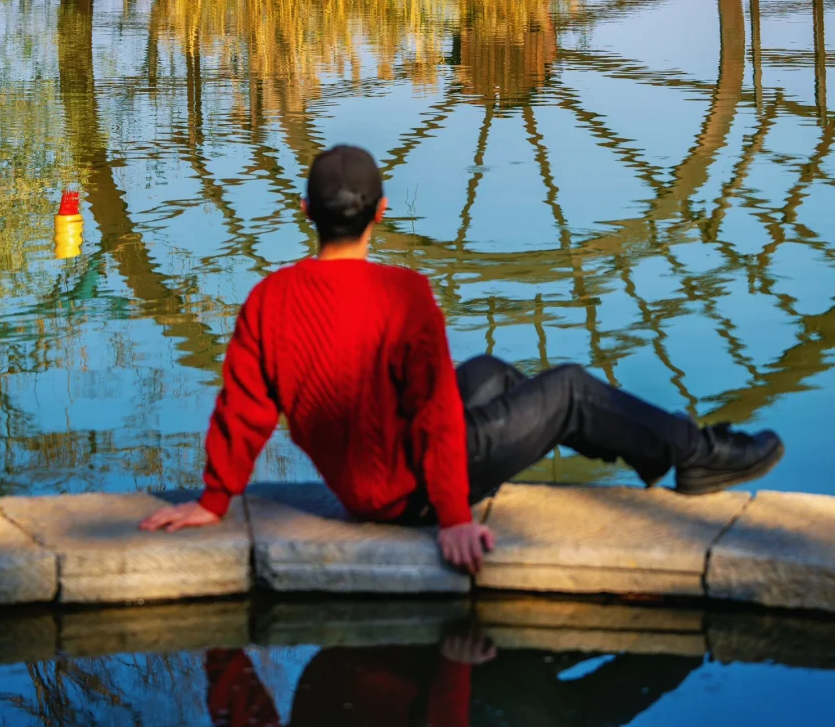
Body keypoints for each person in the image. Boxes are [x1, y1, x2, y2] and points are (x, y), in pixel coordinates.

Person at [140, 145, 783, 571]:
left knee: (490, 374)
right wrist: (451, 517)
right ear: (381, 214)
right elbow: (434, 413)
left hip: (360, 485)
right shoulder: (403, 293)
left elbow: (243, 409)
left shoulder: (269, 298)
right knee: (567, 390)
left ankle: (632, 446)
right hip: (410, 493)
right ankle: (695, 453)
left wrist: (216, 499)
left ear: (306, 211)